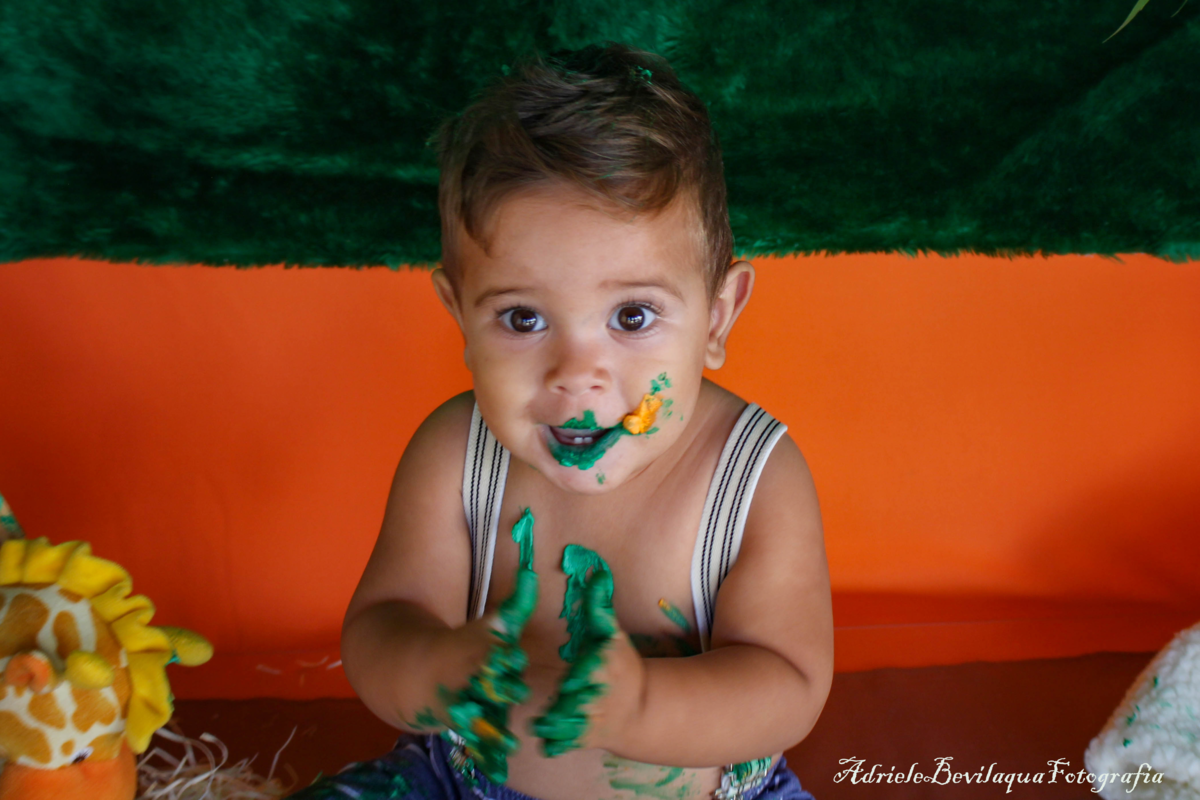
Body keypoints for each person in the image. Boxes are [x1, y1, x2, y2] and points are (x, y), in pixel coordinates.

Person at [290, 42, 832, 800]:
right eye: (523, 318)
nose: (577, 373)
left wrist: (642, 707)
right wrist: (435, 670)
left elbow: (789, 684)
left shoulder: (752, 474)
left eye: (632, 315)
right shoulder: (455, 455)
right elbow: (382, 625)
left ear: (717, 317)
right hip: (464, 782)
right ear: (460, 316)